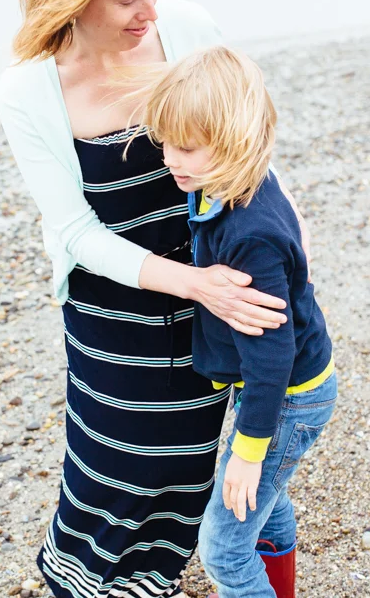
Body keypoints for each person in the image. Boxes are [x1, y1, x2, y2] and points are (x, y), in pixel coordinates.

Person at [0, 0, 313, 596]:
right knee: (118, 474)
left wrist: (292, 251)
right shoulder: (28, 91)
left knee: (226, 472)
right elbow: (76, 232)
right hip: (116, 315)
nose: (151, 10)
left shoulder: (187, 30)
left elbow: (246, 143)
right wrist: (196, 285)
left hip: (222, 296)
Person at [136, 45, 337, 598]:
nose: (170, 159)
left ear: (234, 142)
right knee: (266, 505)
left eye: (186, 147)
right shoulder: (227, 180)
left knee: (223, 548)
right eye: (164, 142)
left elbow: (272, 358)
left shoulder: (251, 235)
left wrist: (248, 453)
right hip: (294, 387)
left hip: (289, 394)